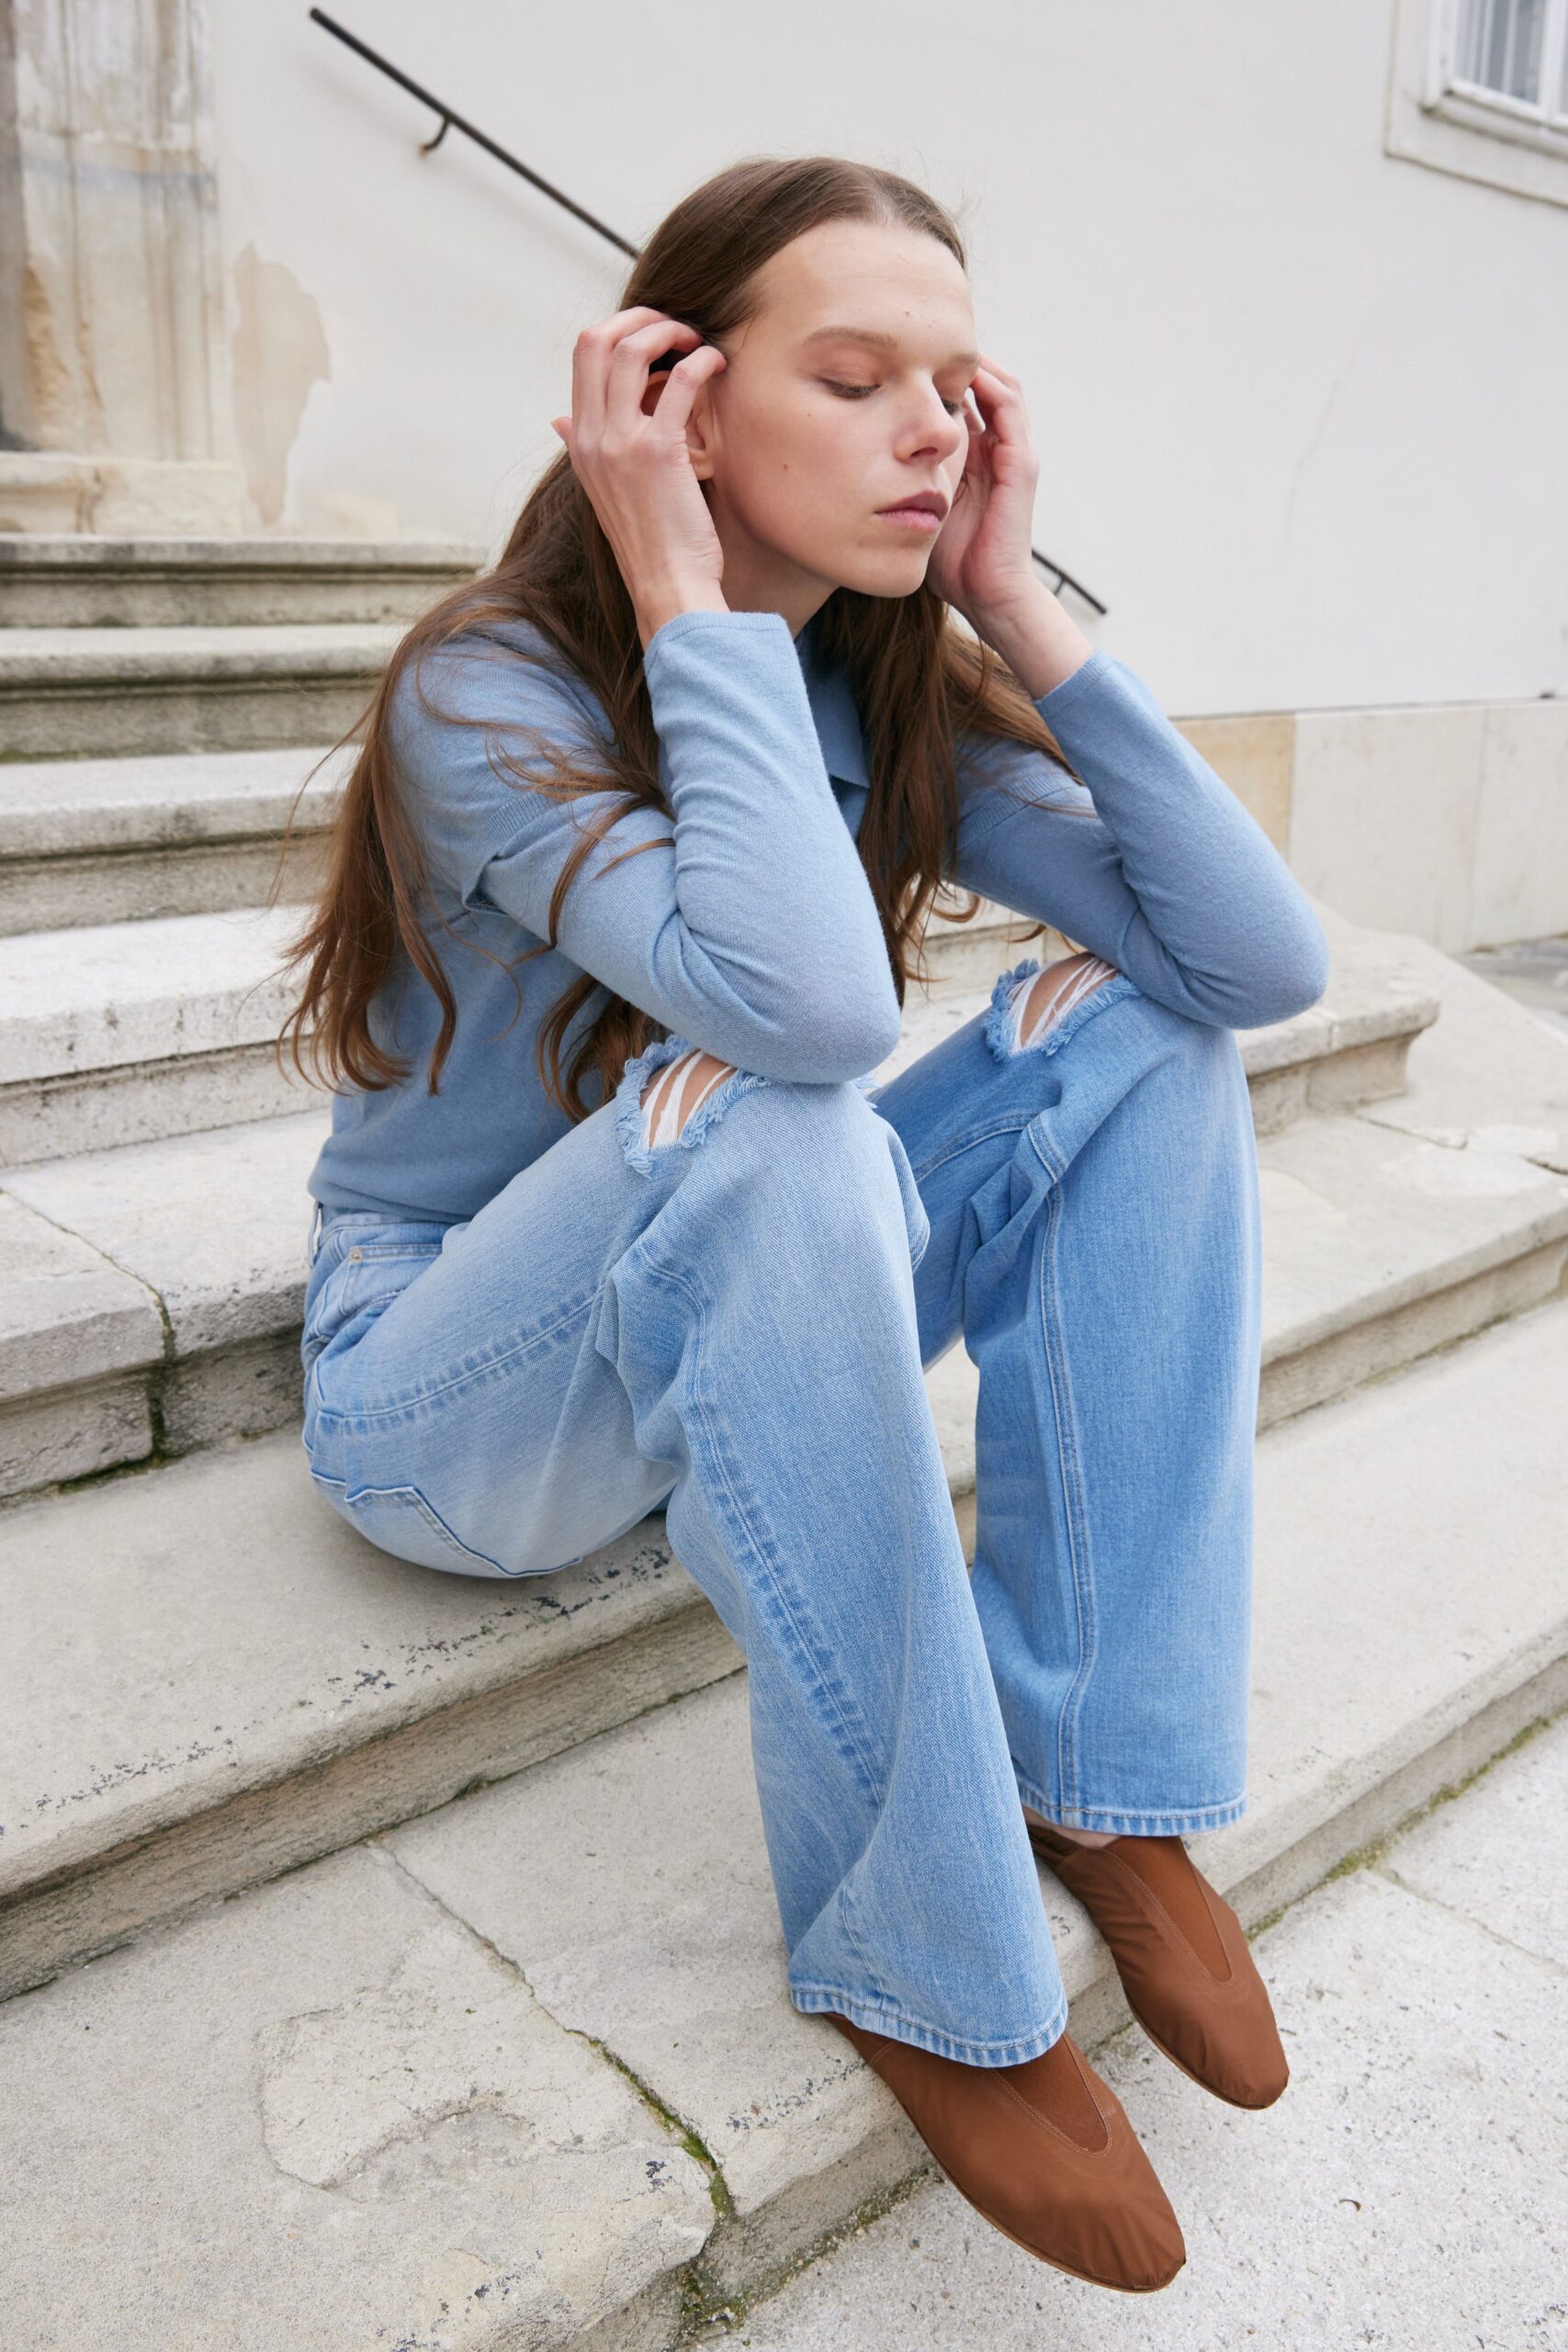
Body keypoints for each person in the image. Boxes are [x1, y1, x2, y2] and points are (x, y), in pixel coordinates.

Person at [276, 154, 1329, 2295]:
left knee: (1143, 1036)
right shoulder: (489, 692)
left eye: (953, 385)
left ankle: (1093, 1769)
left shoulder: (875, 682)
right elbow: (811, 1017)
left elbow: (1255, 961)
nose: (924, 431)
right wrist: (680, 588)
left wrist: (1012, 598)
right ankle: (913, 1939)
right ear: (672, 404)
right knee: (772, 1110)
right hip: (451, 1389)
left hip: (714, 1267)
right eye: (852, 380)